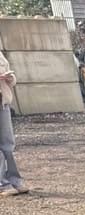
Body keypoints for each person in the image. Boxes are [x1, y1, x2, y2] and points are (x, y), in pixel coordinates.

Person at [0, 49, 27, 197]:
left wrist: (10, 78)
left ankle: (14, 180)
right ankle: (2, 183)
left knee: (8, 144)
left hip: (2, 102)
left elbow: (12, 80)